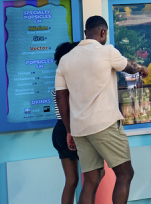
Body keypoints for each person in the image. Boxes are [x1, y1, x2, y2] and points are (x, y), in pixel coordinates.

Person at [55, 15, 148, 204]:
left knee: (90, 180)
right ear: (103, 32)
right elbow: (129, 67)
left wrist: (69, 130)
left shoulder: (65, 60)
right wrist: (142, 68)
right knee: (125, 174)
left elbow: (61, 98)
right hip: (104, 124)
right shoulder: (107, 51)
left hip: (80, 129)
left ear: (85, 34)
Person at [51, 41, 101, 204]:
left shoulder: (59, 81)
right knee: (96, 175)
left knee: (71, 181)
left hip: (59, 130)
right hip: (72, 130)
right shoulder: (71, 82)